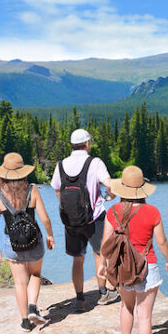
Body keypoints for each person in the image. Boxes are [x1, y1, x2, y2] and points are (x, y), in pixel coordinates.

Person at [98, 165, 168, 334]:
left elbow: (105, 241)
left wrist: (103, 265)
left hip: (122, 266)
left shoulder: (113, 211)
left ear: (122, 189)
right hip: (147, 266)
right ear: (142, 190)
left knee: (126, 306)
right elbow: (161, 241)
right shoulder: (152, 212)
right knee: (145, 316)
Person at [52, 128, 118, 312]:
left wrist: (69, 208)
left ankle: (80, 299)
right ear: (87, 144)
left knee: (77, 259)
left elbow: (57, 189)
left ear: (71, 145)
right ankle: (103, 293)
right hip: (94, 217)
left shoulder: (61, 164)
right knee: (100, 255)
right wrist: (110, 196)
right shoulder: (95, 162)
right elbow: (109, 184)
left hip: (71, 220)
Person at [0, 152, 55, 332]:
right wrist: (50, 235)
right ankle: (33, 307)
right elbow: (45, 218)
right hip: (34, 240)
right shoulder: (32, 190)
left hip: (11, 244)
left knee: (20, 282)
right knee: (35, 274)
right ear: (24, 173)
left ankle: (25, 321)